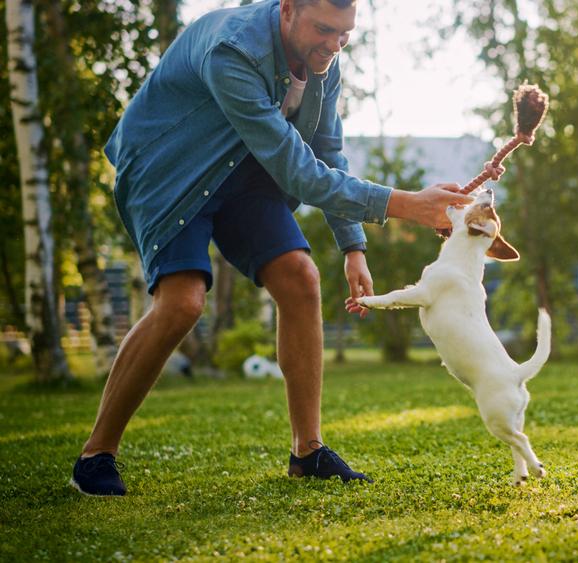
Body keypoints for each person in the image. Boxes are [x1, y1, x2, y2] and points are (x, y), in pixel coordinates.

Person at [70, 0, 475, 496]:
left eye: (344, 34)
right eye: (324, 29)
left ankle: (308, 452)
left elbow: (327, 152)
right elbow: (297, 170)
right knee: (182, 301)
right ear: (287, 10)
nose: (334, 44)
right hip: (168, 169)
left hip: (244, 175)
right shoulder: (232, 50)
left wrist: (353, 246)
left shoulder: (327, 62)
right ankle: (95, 455)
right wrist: (409, 204)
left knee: (301, 280)